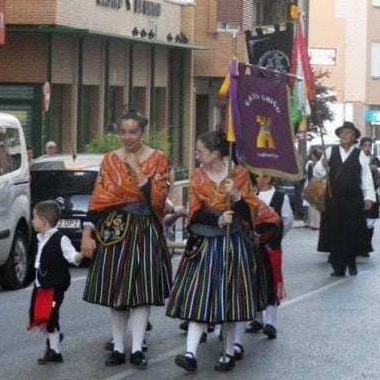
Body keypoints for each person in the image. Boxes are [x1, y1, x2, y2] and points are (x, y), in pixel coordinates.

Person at [166, 131, 279, 372]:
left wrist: (237, 197)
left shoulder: (238, 174)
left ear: (216, 154)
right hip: (206, 243)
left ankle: (227, 353)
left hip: (232, 244)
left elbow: (251, 213)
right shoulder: (197, 176)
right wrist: (218, 217)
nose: (197, 156)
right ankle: (190, 353)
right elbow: (194, 211)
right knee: (199, 295)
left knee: (230, 298)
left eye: (200, 152)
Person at [80, 111, 172, 369]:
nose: (128, 137)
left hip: (145, 229)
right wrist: (88, 233)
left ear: (144, 133)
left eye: (134, 132)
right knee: (117, 292)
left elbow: (159, 200)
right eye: (124, 132)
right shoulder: (109, 160)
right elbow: (99, 198)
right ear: (119, 133)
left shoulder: (158, 160)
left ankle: (138, 347)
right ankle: (119, 348)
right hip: (114, 230)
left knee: (142, 292)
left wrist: (136, 169)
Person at [314, 121, 376, 276]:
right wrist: (322, 165)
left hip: (353, 199)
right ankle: (338, 267)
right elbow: (318, 173)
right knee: (335, 233)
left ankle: (351, 262)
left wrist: (368, 198)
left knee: (351, 232)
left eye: (348, 133)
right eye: (342, 132)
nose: (345, 135)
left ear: (354, 136)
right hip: (334, 199)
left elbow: (366, 177)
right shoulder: (329, 151)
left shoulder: (359, 154)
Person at [28, 200, 84, 364]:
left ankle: (55, 351)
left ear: (43, 221)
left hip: (54, 286)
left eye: (34, 217)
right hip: (41, 286)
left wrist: (82, 254)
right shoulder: (40, 238)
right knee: (41, 316)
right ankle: (54, 341)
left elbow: (72, 257)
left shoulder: (61, 239)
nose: (32, 221)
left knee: (51, 316)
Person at [239, 173, 291, 344]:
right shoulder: (252, 198)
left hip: (271, 247)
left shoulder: (281, 197)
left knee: (271, 282)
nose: (257, 180)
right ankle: (257, 319)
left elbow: (287, 219)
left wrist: (276, 237)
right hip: (254, 248)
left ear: (268, 178)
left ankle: (271, 322)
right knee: (255, 281)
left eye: (261, 176)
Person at [360, 137, 380, 252]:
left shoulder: (374, 159)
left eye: (369, 146)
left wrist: (376, 170)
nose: (367, 148)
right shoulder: (357, 159)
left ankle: (367, 245)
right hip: (360, 194)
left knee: (370, 221)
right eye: (365, 145)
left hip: (372, 194)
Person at [304, 148, 323, 230]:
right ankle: (314, 223)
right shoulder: (318, 164)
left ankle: (313, 224)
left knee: (313, 206)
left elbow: (309, 176)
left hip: (313, 185)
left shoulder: (311, 164)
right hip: (319, 185)